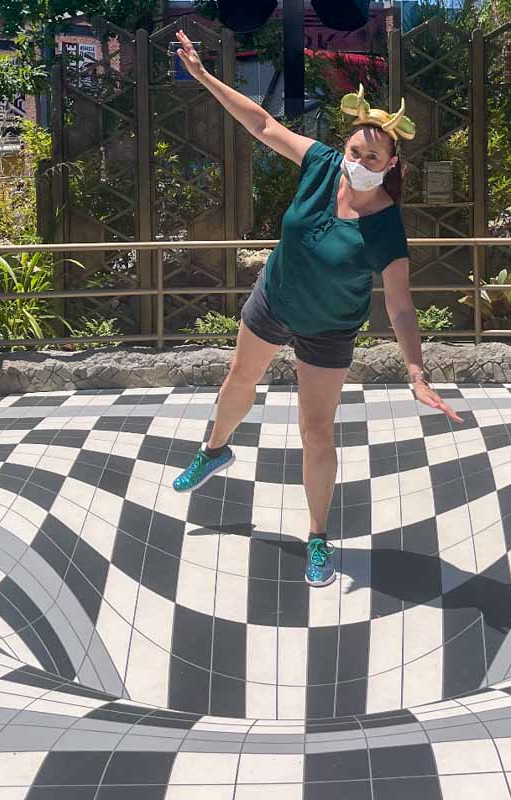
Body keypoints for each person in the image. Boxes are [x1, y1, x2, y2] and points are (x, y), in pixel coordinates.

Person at [170, 30, 462, 588]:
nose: (358, 160)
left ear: (391, 161)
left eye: (371, 155)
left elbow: (400, 308)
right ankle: (214, 451)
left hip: (329, 328)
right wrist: (205, 78)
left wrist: (417, 374)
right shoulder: (324, 164)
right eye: (355, 150)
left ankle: (318, 537)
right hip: (275, 297)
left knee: (316, 432)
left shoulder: (386, 230)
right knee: (239, 378)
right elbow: (263, 125)